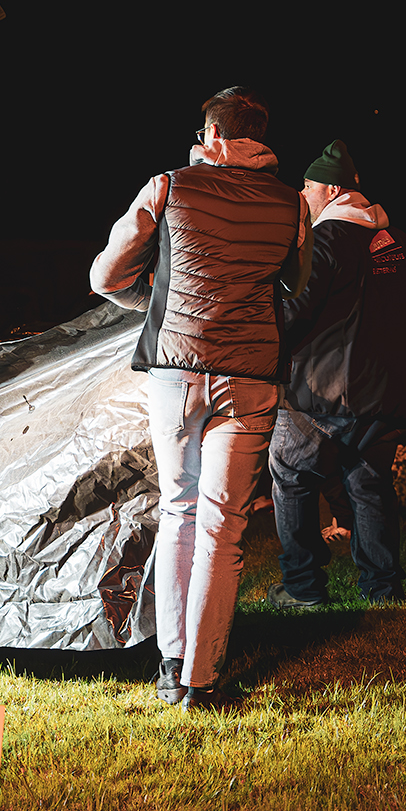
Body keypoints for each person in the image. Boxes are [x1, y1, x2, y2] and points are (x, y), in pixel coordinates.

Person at [90, 86, 310, 709]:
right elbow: (296, 283)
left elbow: (103, 277)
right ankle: (203, 678)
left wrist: (154, 306)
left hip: (176, 372)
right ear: (259, 140)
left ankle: (169, 663)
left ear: (213, 136)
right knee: (224, 525)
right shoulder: (294, 204)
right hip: (251, 374)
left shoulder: (167, 187)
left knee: (180, 509)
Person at [267, 140, 406, 608]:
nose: (303, 194)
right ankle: (383, 588)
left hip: (325, 391)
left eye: (308, 185)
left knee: (291, 472)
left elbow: (295, 311)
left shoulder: (327, 239)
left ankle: (302, 587)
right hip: (387, 391)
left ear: (333, 189)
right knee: (369, 483)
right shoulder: (395, 239)